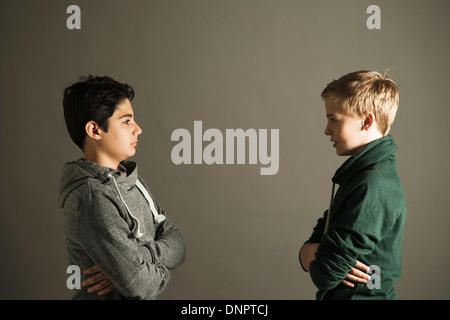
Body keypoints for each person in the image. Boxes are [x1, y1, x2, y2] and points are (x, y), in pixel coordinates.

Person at [58, 75, 186, 299]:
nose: (138, 129)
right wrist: (144, 269)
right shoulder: (92, 197)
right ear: (95, 130)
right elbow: (139, 285)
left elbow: (178, 244)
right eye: (126, 121)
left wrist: (140, 256)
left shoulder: (133, 182)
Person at [299, 70, 406, 300]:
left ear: (367, 121)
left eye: (333, 119)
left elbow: (325, 273)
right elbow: (323, 232)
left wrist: (310, 254)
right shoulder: (360, 176)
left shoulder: (373, 186)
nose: (326, 130)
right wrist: (309, 252)